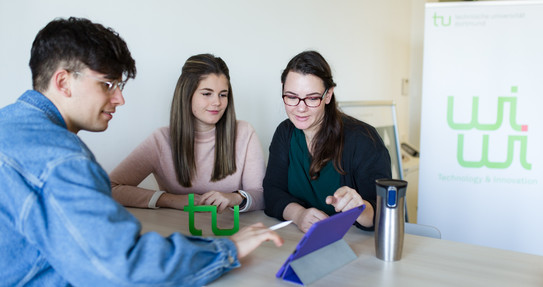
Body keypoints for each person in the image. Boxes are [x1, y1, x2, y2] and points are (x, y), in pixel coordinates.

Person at [0, 17, 282, 287]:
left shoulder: (8, 124)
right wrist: (228, 249)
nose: (120, 99)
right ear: (62, 82)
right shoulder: (62, 160)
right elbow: (124, 266)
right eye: (108, 84)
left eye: (119, 86)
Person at [110, 54, 265, 213]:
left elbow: (261, 194)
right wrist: (170, 200)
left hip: (229, 231)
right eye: (206, 93)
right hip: (177, 231)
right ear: (187, 94)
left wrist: (236, 197)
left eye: (223, 94)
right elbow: (109, 188)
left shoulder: (244, 133)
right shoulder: (161, 140)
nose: (217, 102)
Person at [263, 50, 392, 233]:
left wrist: (360, 207)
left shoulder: (362, 139)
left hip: (356, 245)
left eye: (312, 98)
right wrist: (299, 214)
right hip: (300, 240)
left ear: (328, 95)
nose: (300, 108)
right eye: (291, 97)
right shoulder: (285, 133)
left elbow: (385, 210)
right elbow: (272, 191)